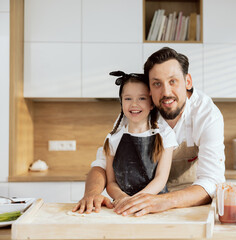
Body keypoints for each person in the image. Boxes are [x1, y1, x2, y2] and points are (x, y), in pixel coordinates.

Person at [72, 47, 225, 216]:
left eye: (173, 81)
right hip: (137, 207)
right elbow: (102, 164)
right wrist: (92, 193)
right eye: (157, 83)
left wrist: (162, 201)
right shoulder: (138, 111)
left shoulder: (206, 115)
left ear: (188, 81)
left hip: (189, 207)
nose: (166, 92)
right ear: (149, 89)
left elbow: (212, 181)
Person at [102, 71, 177, 210]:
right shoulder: (113, 138)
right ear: (121, 101)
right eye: (128, 98)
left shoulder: (165, 135)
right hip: (122, 207)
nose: (134, 104)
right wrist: (122, 198)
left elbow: (161, 179)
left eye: (141, 98)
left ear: (152, 103)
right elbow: (111, 182)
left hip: (154, 207)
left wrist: (137, 201)